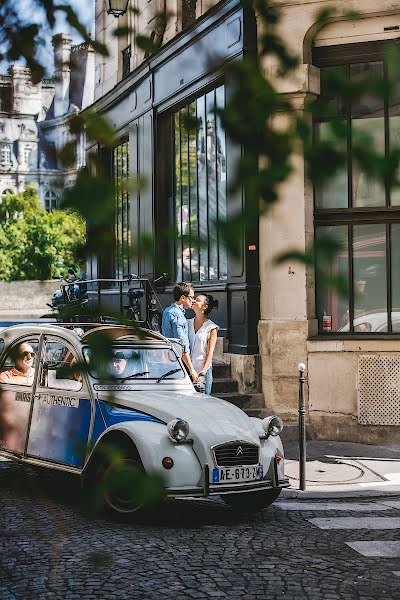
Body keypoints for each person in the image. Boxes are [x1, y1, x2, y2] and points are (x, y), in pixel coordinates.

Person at [162, 282, 198, 382]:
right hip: (178, 363)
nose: (193, 300)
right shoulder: (177, 315)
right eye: (191, 297)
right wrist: (191, 370)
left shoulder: (167, 311)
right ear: (183, 298)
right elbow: (182, 345)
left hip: (169, 359)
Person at [188, 294, 219, 395]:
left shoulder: (211, 327)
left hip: (203, 372)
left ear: (204, 306)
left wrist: (203, 372)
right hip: (188, 371)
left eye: (197, 300)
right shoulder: (187, 323)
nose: (193, 301)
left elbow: (210, 353)